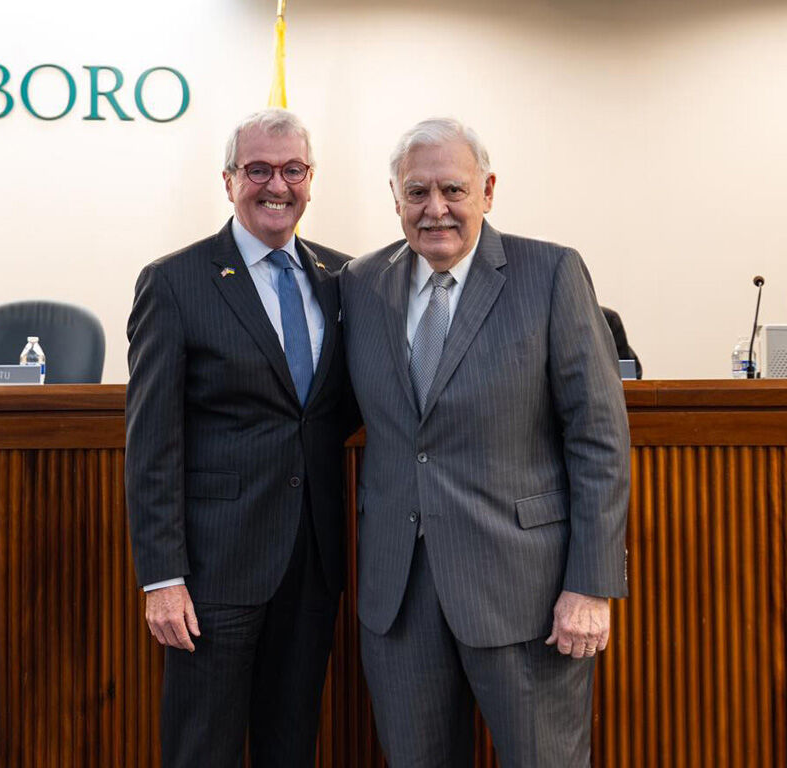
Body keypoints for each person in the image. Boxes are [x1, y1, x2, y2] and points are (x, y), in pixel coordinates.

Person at [339, 118, 630, 767]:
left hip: (527, 596)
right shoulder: (361, 285)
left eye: (453, 189)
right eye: (416, 192)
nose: (435, 208)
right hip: (400, 598)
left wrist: (591, 585)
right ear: (394, 197)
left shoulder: (549, 272)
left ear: (488, 190)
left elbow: (600, 437)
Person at [125, 108, 352, 767]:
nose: (275, 185)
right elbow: (153, 442)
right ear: (229, 181)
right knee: (204, 749)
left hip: (312, 560)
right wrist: (161, 577)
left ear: (311, 180)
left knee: (291, 744)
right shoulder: (176, 282)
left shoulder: (346, 279)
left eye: (292, 170)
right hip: (213, 570)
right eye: (258, 170)